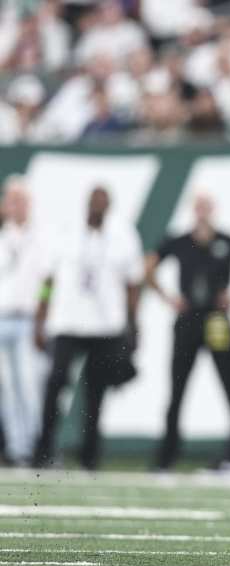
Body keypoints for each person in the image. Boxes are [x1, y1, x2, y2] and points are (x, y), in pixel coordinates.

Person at [31, 185, 142, 470]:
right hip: (67, 321)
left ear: (109, 206)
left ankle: (89, 454)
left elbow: (132, 285)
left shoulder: (123, 236)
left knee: (96, 393)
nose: (98, 207)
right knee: (55, 383)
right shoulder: (66, 233)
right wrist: (40, 319)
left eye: (103, 202)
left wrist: (133, 324)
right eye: (95, 201)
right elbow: (47, 281)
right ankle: (44, 448)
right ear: (87, 203)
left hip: (105, 326)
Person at [145, 192, 230, 471]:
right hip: (188, 319)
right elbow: (149, 265)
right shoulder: (180, 241)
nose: (202, 212)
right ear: (193, 211)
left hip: (217, 320)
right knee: (177, 389)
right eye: (198, 207)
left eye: (206, 207)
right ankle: (166, 456)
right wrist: (168, 297)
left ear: (213, 210)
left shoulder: (227, 242)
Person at [0, 176, 45, 465]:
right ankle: (16, 448)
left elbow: (49, 280)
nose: (17, 206)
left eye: (22, 200)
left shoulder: (41, 237)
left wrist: (43, 309)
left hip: (28, 317)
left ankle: (35, 444)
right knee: (4, 387)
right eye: (12, 200)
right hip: (2, 316)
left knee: (29, 385)